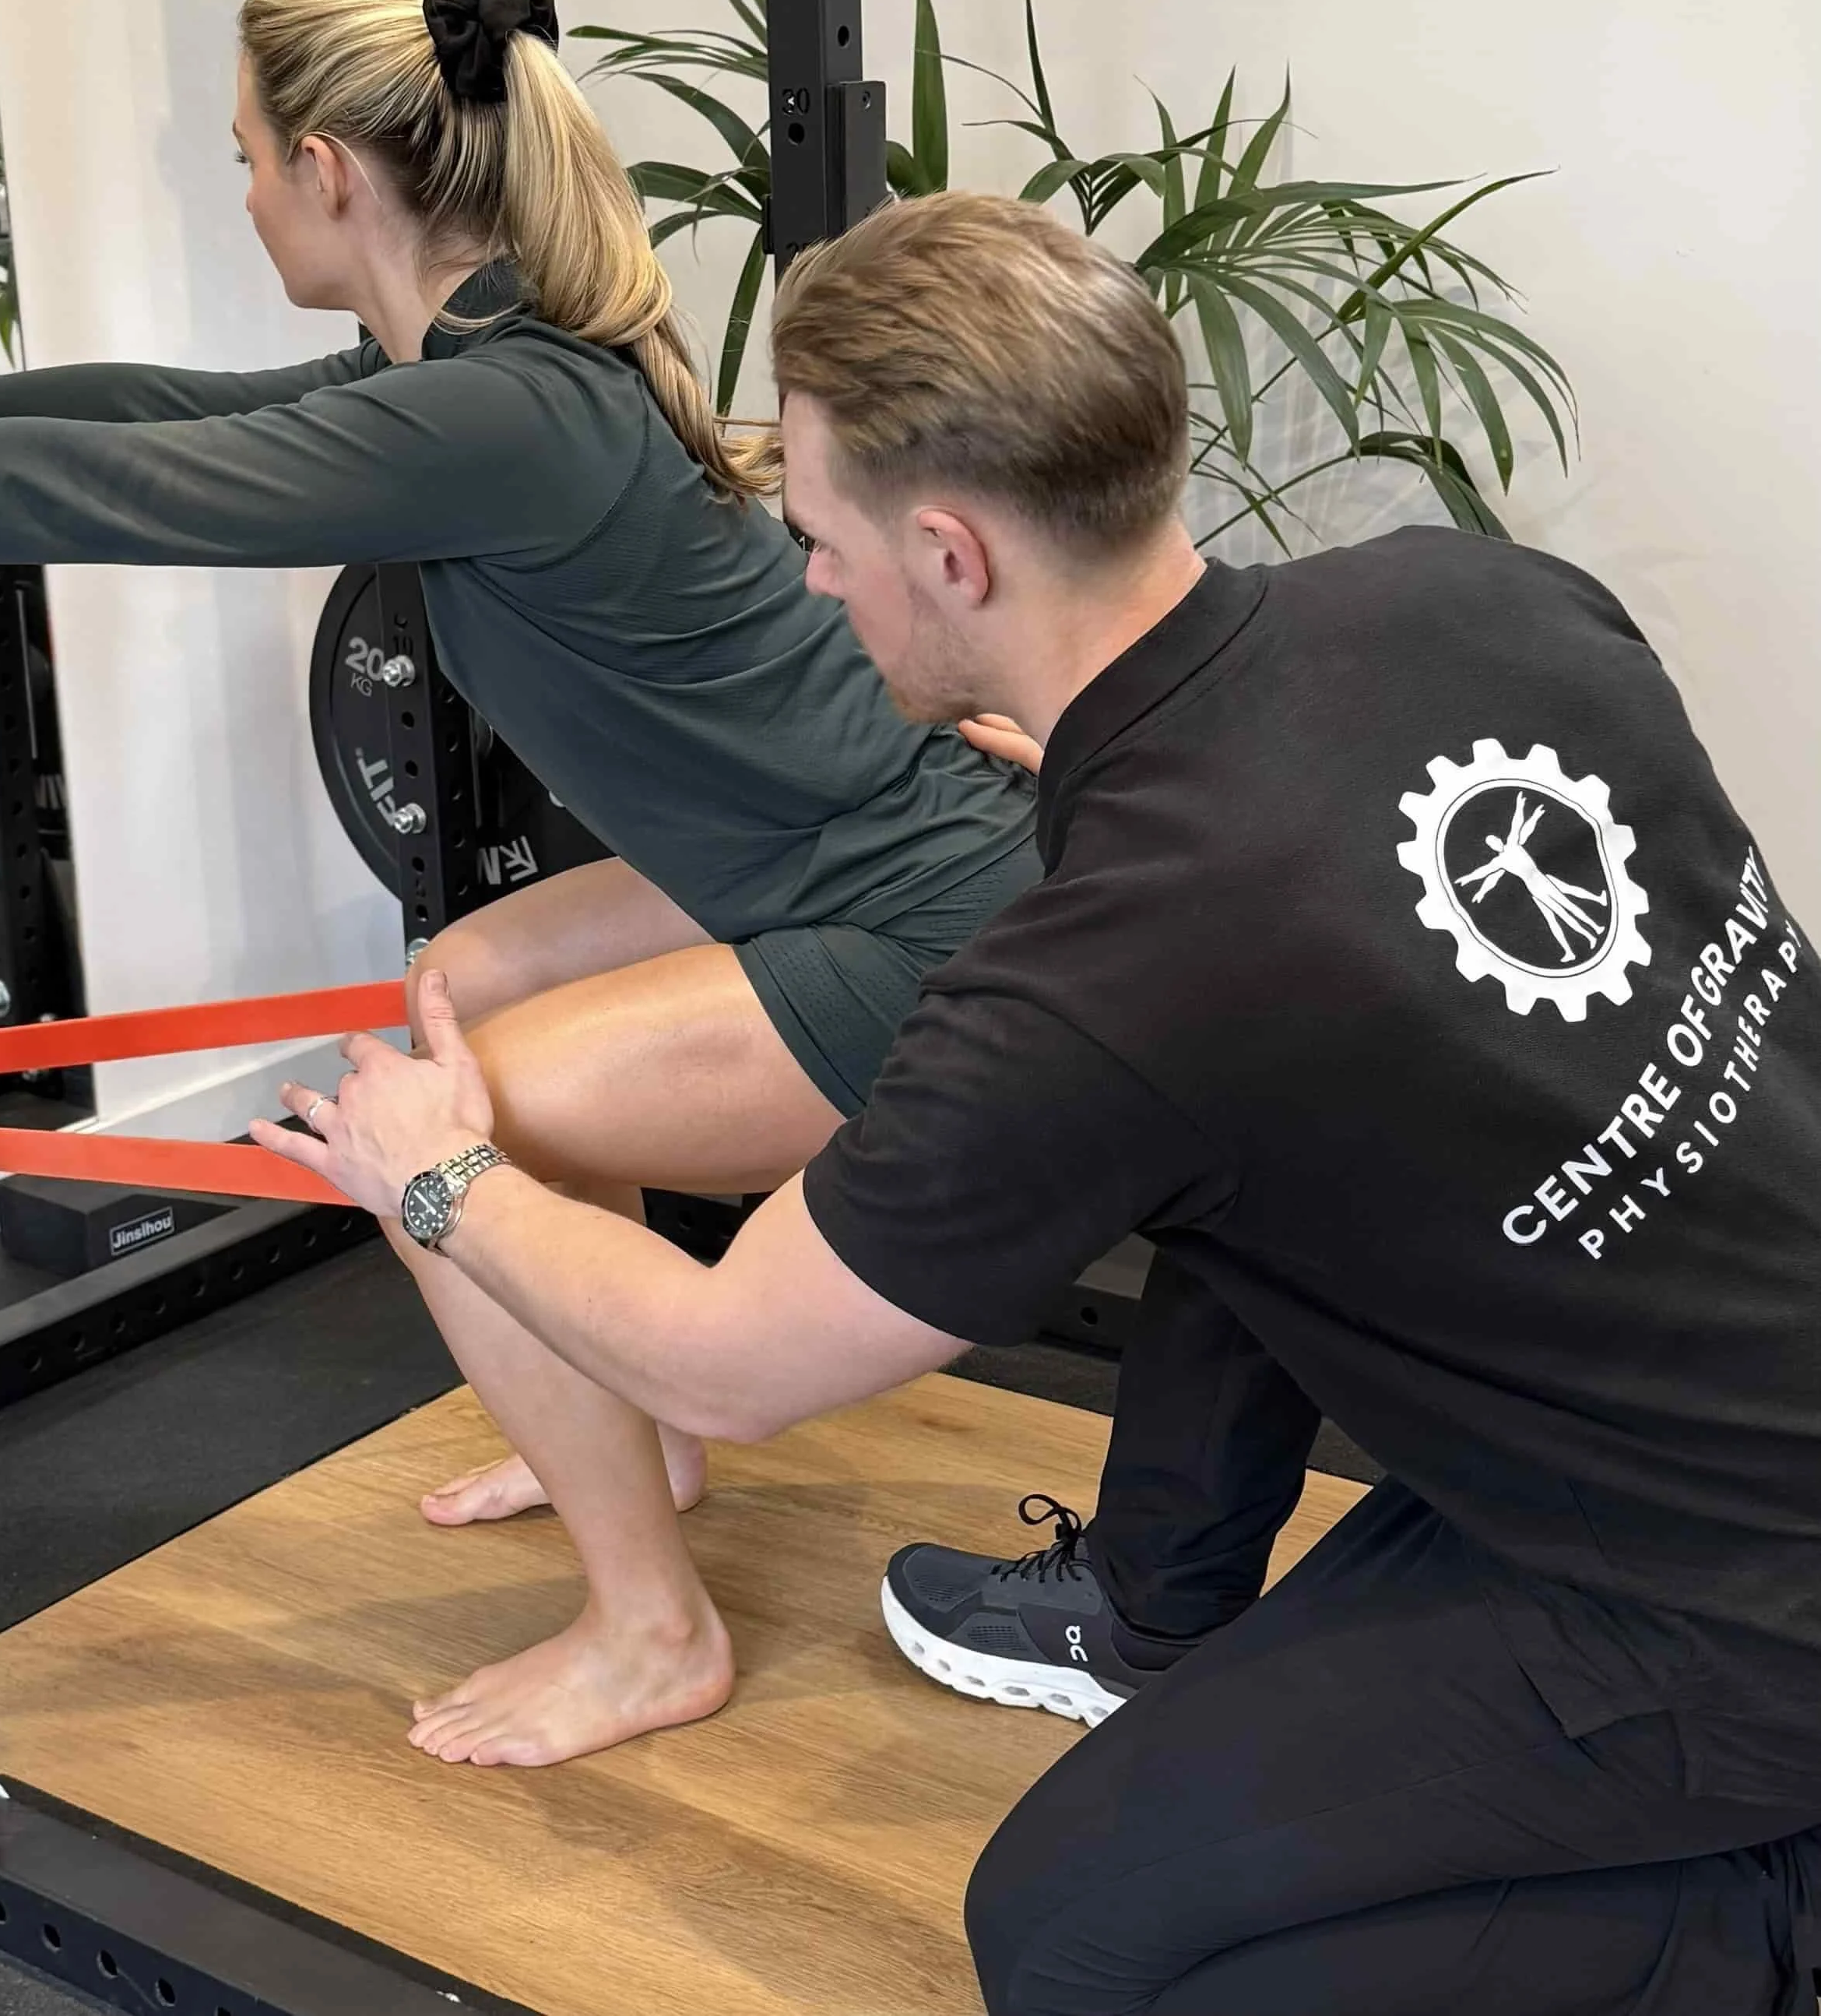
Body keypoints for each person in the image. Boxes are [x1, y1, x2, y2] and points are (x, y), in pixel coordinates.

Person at [268, 189, 1821, 2013]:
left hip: (1721, 1600)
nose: (809, 579)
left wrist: (438, 1169)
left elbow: (718, 1360)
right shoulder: (1477, 596)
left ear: (950, 552)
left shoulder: (1115, 970)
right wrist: (1090, 763)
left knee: (1076, 1946)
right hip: (1670, 1441)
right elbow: (1305, 875)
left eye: (818, 534)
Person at [0, 0, 1038, 1768]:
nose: (243, 190)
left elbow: (92, 496)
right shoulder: (483, 359)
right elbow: (143, 416)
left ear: (336, 171)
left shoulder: (494, 413)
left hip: (916, 905)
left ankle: (651, 1627)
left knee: (434, 1119)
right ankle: (638, 1422)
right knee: (467, 979)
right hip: (815, 849)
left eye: (251, 154)